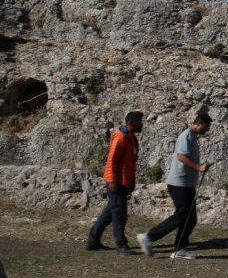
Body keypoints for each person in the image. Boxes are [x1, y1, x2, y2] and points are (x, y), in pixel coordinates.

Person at [137, 113, 213, 260]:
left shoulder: (192, 137)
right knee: (182, 215)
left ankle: (180, 248)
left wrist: (201, 166)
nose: (208, 129)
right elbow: (181, 156)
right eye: (207, 126)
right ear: (200, 123)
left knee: (190, 219)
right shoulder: (186, 136)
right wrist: (199, 168)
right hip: (179, 184)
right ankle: (148, 237)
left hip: (186, 184)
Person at [86, 111, 143, 255]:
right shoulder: (121, 136)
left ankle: (92, 241)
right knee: (119, 214)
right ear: (131, 123)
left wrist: (131, 181)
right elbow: (112, 160)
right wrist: (112, 181)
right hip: (116, 183)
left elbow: (130, 162)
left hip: (123, 182)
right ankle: (121, 245)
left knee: (110, 213)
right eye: (139, 122)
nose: (142, 124)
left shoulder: (131, 137)